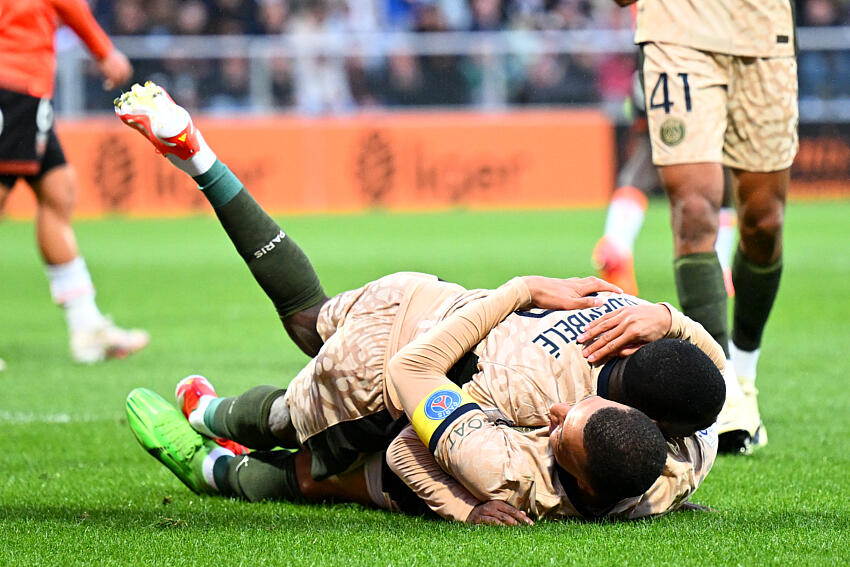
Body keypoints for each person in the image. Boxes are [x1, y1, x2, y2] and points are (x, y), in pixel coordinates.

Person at [116, 81, 723, 523]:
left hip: (427, 293)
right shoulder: (538, 406)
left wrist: (666, 315)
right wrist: (465, 506)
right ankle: (209, 431)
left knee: (312, 323)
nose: (562, 415)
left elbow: (710, 366)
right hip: (390, 361)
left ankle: (199, 157)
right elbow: (411, 410)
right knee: (300, 440)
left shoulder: (633, 325)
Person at [611, 0, 798, 454]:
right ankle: (726, 387)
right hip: (678, 31)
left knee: (764, 221)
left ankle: (745, 373)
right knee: (694, 210)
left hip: (762, 34)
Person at [0, 0, 149, 364]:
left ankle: (86, 327)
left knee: (58, 188)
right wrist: (105, 51)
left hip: (25, 86)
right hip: (12, 80)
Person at [592, 70, 737, 297]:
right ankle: (720, 263)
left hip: (653, 75)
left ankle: (616, 242)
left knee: (646, 156)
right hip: (700, 80)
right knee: (718, 163)